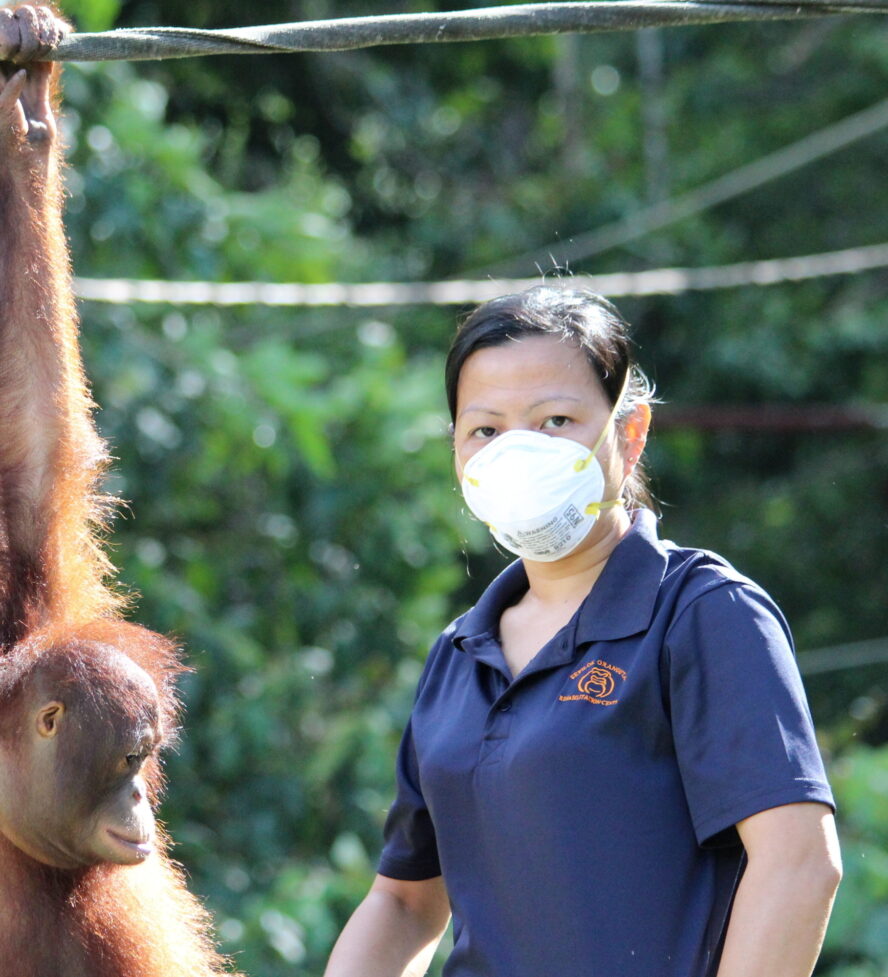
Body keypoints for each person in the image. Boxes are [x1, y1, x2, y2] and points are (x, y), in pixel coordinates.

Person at [324, 286, 841, 977]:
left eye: (556, 419)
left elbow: (799, 862)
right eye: (485, 430)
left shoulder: (700, 612)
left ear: (629, 433)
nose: (518, 452)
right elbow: (405, 903)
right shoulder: (457, 655)